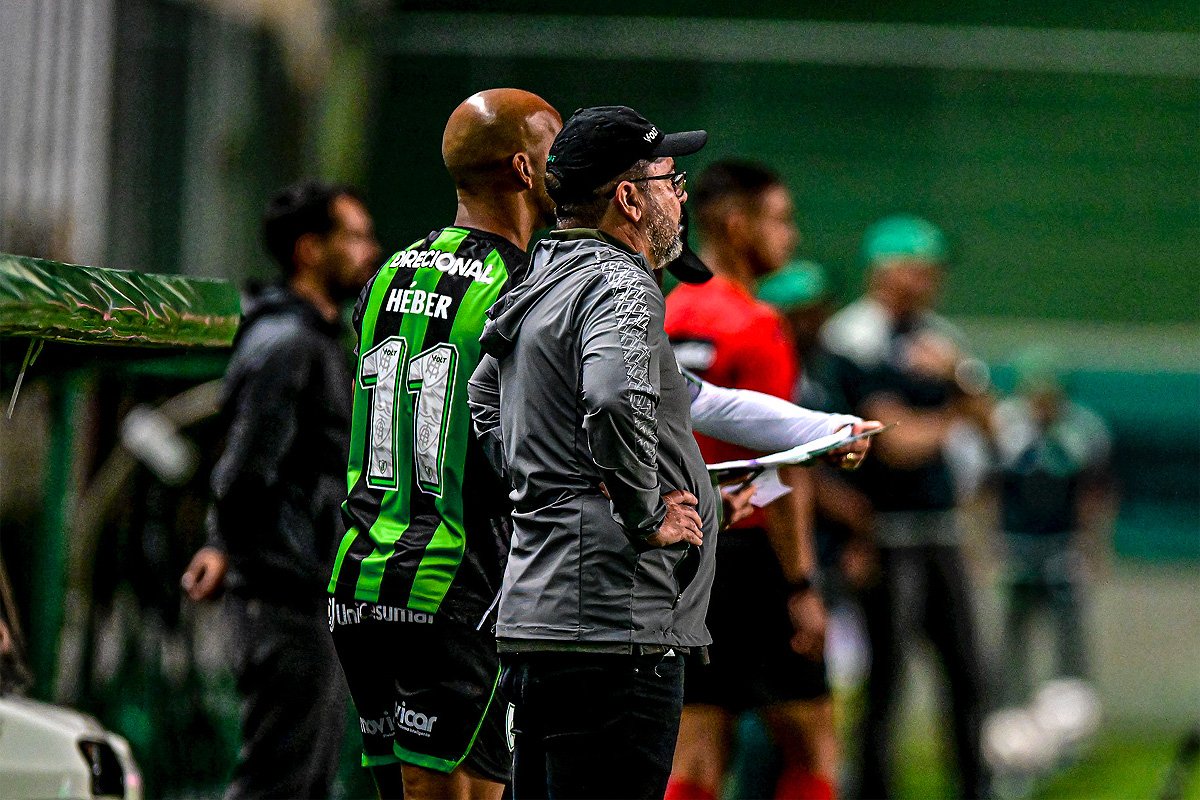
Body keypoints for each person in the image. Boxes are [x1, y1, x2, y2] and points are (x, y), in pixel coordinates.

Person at [323, 89, 562, 800]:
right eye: (557, 151)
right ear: (524, 169)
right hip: (457, 585)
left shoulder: (385, 274)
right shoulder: (528, 288)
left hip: (360, 582)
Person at [180, 180, 381, 800]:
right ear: (308, 250)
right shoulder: (286, 345)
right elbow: (243, 470)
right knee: (280, 783)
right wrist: (241, 551)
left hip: (303, 588)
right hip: (287, 592)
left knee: (304, 778)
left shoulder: (313, 341)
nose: (371, 251)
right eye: (354, 237)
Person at [663, 161, 842, 800]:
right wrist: (801, 584)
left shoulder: (666, 311)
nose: (790, 237)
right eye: (780, 220)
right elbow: (780, 467)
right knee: (814, 736)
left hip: (682, 549)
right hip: (752, 549)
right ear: (738, 225)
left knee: (696, 748)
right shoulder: (756, 324)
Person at [813, 214, 993, 799]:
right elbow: (894, 445)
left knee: (968, 674)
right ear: (888, 272)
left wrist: (958, 382)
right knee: (886, 680)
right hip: (883, 533)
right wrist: (953, 413)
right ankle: (871, 790)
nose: (931, 281)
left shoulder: (939, 339)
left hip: (939, 529)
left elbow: (993, 424)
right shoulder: (853, 339)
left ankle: (976, 787)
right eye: (921, 269)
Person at [992, 348, 1113, 705]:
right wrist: (984, 547)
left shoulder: (1084, 431)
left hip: (1064, 541)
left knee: (1070, 632)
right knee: (1014, 631)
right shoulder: (1006, 429)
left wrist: (1095, 547)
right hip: (1017, 541)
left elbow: (1095, 493)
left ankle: (1073, 716)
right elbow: (987, 491)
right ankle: (1007, 712)